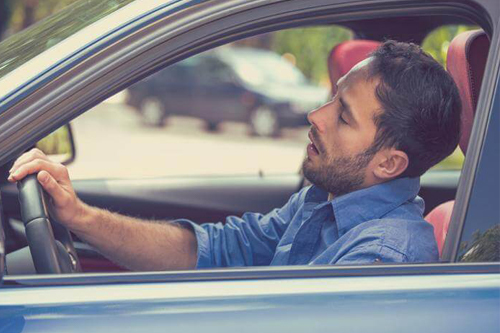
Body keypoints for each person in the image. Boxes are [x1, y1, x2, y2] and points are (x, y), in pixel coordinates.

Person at [8, 41, 461, 271]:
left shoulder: (382, 258)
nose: (315, 115)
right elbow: (213, 251)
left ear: (388, 163)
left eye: (342, 116)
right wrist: (81, 216)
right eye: (331, 99)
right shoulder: (323, 201)